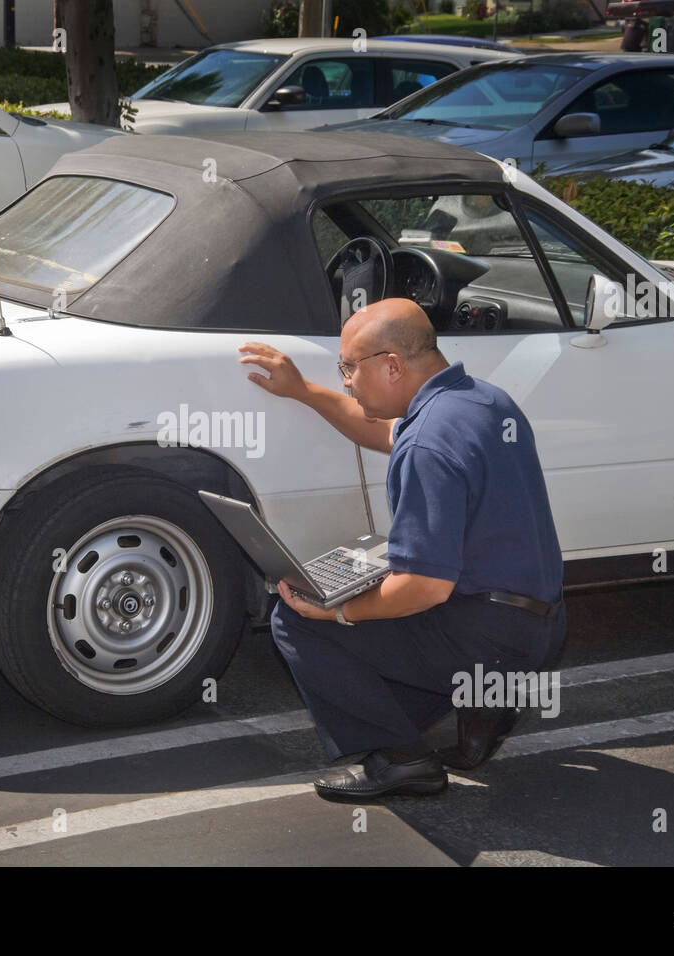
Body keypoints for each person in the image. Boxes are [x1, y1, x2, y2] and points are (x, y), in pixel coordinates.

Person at [238, 297, 566, 800]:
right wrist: (304, 391)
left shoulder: (427, 444)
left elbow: (424, 587)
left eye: (348, 367)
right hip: (538, 624)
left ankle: (402, 761)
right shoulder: (481, 402)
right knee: (375, 603)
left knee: (298, 618)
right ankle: (481, 700)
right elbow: (381, 428)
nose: (345, 379)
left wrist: (340, 612)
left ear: (391, 365)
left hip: (490, 639)